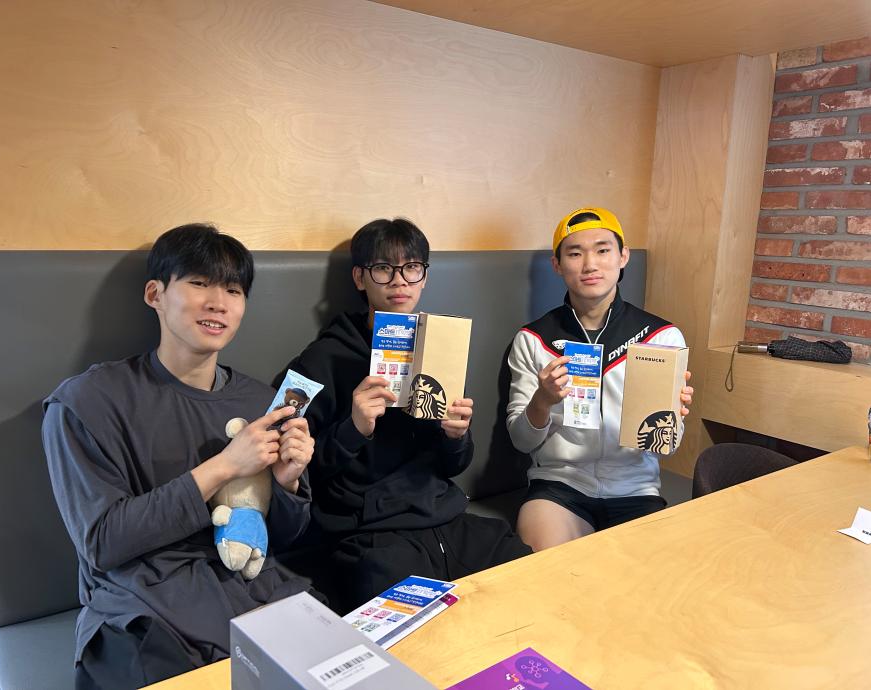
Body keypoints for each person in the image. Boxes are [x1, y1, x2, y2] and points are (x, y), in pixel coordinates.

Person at [43, 224, 316, 689]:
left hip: (253, 592)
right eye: (199, 283)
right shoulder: (87, 402)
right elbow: (103, 542)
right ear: (156, 294)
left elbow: (283, 539)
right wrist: (225, 466)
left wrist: (288, 482)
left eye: (233, 290)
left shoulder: (261, 402)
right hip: (143, 608)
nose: (218, 303)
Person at [283, 217, 531, 612]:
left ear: (424, 277)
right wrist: (353, 428)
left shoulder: (437, 346)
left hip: (449, 518)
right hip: (373, 535)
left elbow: (453, 466)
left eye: (412, 268)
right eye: (384, 268)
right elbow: (292, 466)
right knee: (417, 631)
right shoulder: (322, 360)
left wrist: (456, 437)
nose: (400, 281)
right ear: (360, 278)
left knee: (533, 587)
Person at [506, 207, 695, 552]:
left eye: (603, 250)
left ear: (623, 257)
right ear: (557, 264)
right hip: (559, 486)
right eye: (575, 253)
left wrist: (669, 421)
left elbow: (668, 447)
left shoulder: (660, 337)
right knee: (545, 562)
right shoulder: (534, 339)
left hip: (635, 489)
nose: (590, 264)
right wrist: (542, 401)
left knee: (651, 571)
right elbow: (521, 441)